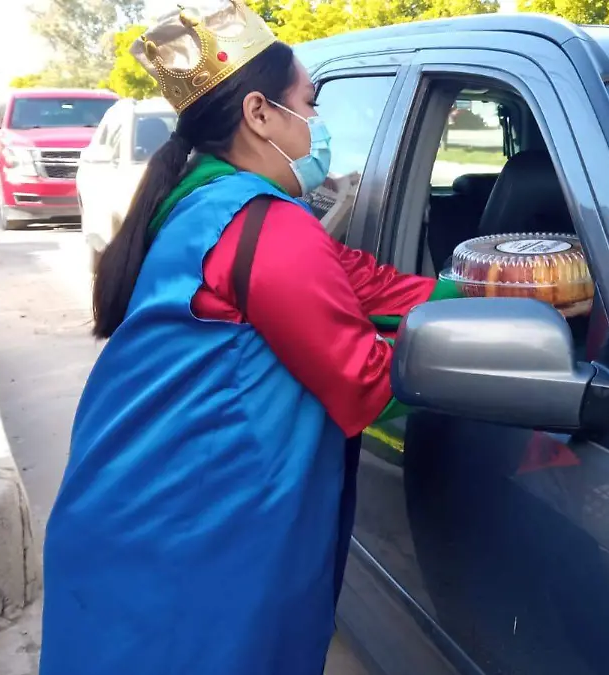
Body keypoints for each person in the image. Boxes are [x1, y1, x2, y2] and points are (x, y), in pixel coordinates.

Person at [40, 2, 456, 673]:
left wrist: (500, 287)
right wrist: (484, 346)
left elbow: (365, 284)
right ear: (260, 114)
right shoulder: (264, 225)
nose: (317, 126)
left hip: (137, 519)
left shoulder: (209, 203)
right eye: (308, 105)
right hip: (182, 548)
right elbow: (365, 383)